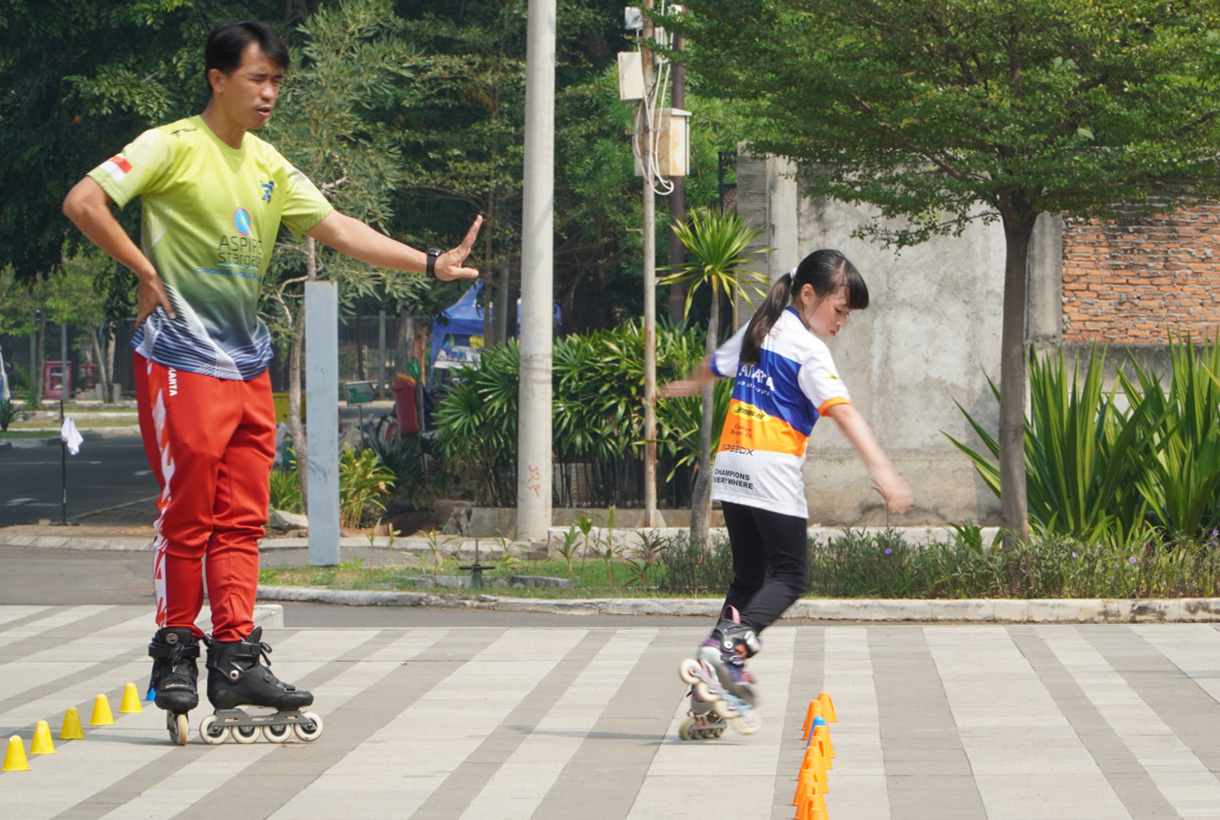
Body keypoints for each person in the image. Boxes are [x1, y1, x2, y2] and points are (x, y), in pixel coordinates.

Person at [62, 20, 482, 742]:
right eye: (258, 79)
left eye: (278, 81)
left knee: (243, 516)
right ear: (217, 79)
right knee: (187, 506)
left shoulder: (268, 164)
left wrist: (430, 261)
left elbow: (340, 229)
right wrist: (142, 267)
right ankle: (175, 650)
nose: (270, 93)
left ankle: (236, 655)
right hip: (177, 356)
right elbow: (84, 202)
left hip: (246, 363)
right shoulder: (170, 146)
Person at [662, 249, 910, 734]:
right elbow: (843, 411)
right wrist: (883, 469)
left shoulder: (763, 324)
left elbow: (714, 365)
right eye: (839, 310)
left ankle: (705, 698)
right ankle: (725, 652)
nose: (841, 322)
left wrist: (684, 385)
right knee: (792, 576)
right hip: (771, 470)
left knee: (749, 578)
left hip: (732, 465)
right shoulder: (808, 349)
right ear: (808, 294)